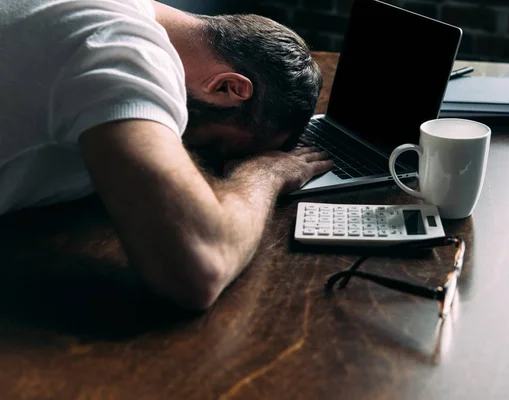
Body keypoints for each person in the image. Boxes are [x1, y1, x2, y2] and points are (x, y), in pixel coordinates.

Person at [0, 0, 332, 309]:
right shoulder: (124, 53)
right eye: (215, 148)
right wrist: (264, 172)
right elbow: (201, 265)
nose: (203, 160)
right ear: (228, 88)